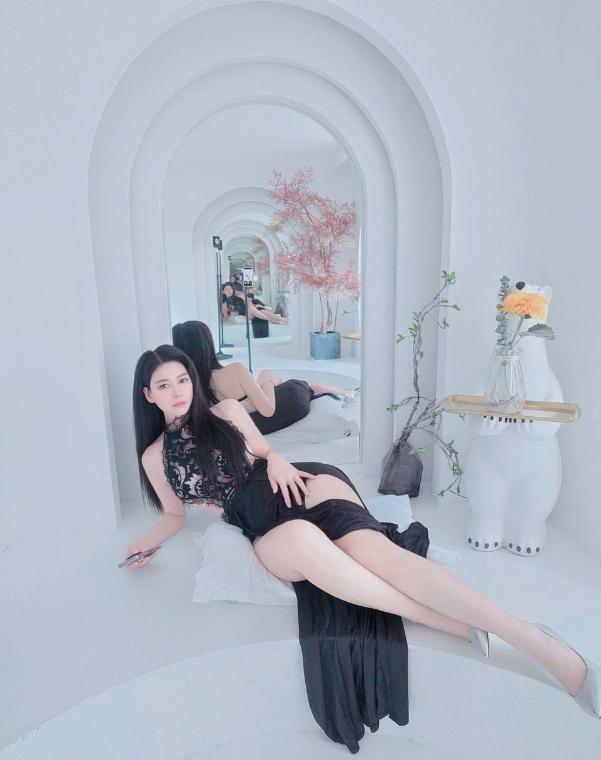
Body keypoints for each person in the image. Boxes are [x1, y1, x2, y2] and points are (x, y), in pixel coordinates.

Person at [127, 345, 600, 752]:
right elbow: (174, 516)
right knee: (306, 545)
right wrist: (138, 547)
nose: (177, 391)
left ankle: (537, 642)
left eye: (182, 379)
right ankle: (449, 622)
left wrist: (277, 460)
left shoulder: (226, 412)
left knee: (378, 555)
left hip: (299, 484)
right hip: (260, 523)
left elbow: (265, 451)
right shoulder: (154, 457)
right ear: (148, 395)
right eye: (164, 385)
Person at [172, 320, 354, 435]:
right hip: (288, 406)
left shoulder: (189, 387)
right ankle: (342, 392)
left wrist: (246, 403)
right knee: (283, 380)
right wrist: (267, 384)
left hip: (254, 422)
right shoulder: (235, 370)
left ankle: (341, 392)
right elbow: (268, 410)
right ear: (207, 345)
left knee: (276, 379)